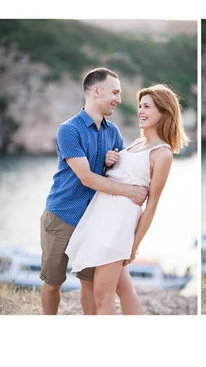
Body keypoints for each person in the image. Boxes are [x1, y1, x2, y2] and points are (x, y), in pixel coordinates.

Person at [65, 84, 189, 315]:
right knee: (124, 289)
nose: (140, 111)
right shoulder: (137, 143)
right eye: (140, 106)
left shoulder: (162, 153)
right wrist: (111, 160)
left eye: (147, 107)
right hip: (102, 218)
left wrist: (133, 246)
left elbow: (151, 206)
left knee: (103, 296)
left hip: (118, 225)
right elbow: (124, 174)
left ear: (164, 111)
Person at [40, 67, 148, 315]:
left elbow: (122, 170)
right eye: (115, 92)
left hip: (96, 220)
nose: (119, 100)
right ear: (97, 91)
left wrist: (113, 162)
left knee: (88, 284)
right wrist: (130, 192)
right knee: (53, 282)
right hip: (62, 216)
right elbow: (87, 178)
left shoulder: (114, 133)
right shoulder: (68, 130)